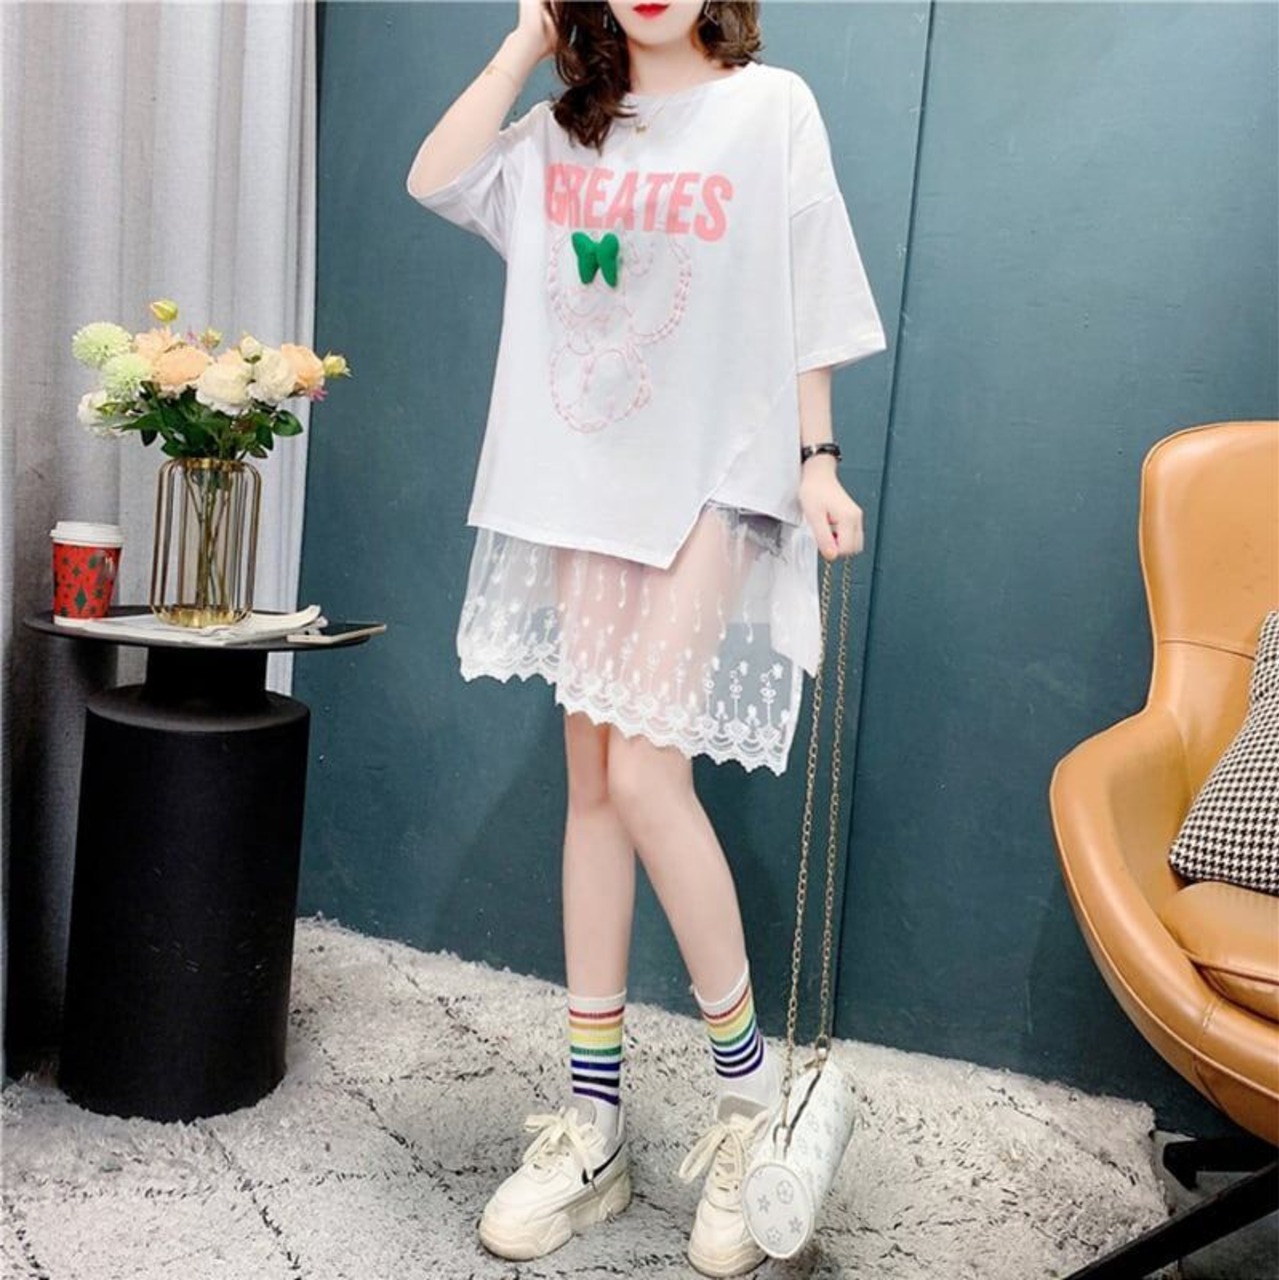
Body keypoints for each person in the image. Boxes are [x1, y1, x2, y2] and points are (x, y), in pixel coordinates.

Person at [405, 1, 886, 1273]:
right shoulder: (569, 133)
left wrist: (817, 457)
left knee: (643, 774)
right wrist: (524, 41)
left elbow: (810, 287)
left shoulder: (768, 108)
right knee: (590, 785)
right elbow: (436, 176)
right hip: (584, 479)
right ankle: (595, 1124)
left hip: (715, 478)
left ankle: (752, 1100)